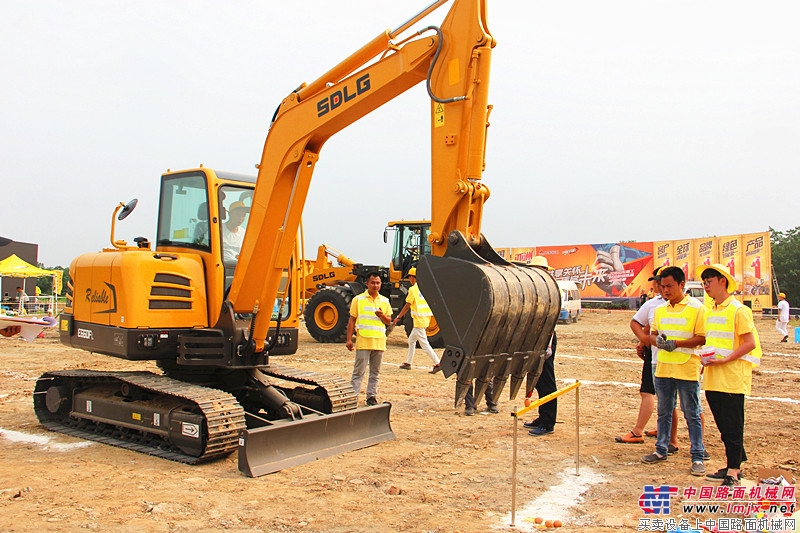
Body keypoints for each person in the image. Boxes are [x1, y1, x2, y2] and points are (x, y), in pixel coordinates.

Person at [698, 264, 761, 486]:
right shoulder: (712, 310)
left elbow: (750, 343)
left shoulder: (739, 310)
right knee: (724, 425)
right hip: (714, 376)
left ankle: (734, 470)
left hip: (732, 376)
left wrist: (725, 360)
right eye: (704, 283)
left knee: (733, 424)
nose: (706, 287)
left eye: (709, 282)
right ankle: (733, 461)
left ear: (722, 281)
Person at [641, 266, 707, 477]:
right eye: (663, 286)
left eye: (670, 286)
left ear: (681, 284)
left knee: (692, 413)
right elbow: (652, 335)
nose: (666, 290)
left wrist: (677, 343)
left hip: (687, 367)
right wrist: (656, 341)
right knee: (664, 411)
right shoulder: (660, 310)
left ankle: (697, 454)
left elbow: (702, 337)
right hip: (663, 367)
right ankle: (661, 449)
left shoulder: (697, 308)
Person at [615, 267, 678, 450]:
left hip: (674, 358)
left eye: (663, 282)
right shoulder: (654, 304)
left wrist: (645, 340)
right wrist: (644, 341)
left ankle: (639, 431)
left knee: (669, 399)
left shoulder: (681, 304)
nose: (659, 286)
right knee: (664, 398)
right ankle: (663, 431)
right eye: (658, 282)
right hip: (655, 355)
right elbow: (645, 324)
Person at [346, 271, 393, 406]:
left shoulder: (385, 301)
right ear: (367, 284)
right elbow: (352, 320)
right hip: (364, 341)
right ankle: (353, 396)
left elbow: (388, 321)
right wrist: (349, 339)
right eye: (372, 282)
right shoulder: (358, 300)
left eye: (378, 283)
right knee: (358, 372)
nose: (375, 285)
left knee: (375, 373)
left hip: (379, 342)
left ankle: (371, 397)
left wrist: (381, 316)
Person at [523, 256, 558, 436]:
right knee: (537, 380)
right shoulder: (536, 290)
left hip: (546, 338)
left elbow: (550, 321)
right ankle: (542, 416)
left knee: (546, 382)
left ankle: (547, 422)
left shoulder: (549, 291)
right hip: (535, 337)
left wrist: (547, 346)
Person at [391, 267, 441, 373]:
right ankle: (408, 362)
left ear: (411, 277)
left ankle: (438, 363)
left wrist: (398, 317)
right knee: (411, 340)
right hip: (426, 318)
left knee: (424, 344)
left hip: (419, 320)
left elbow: (407, 305)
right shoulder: (425, 287)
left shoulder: (413, 289)